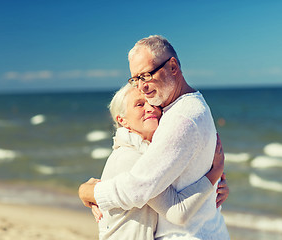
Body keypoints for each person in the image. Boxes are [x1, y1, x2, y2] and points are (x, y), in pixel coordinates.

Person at [79, 35, 230, 239]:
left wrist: (88, 192)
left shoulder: (181, 118)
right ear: (121, 120)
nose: (141, 87)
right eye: (135, 79)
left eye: (146, 76)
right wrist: (214, 178)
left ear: (173, 67)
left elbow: (136, 189)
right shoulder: (182, 108)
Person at [89, 84, 227, 239]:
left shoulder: (148, 150)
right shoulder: (131, 157)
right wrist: (215, 172)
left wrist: (215, 188)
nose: (150, 108)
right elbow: (178, 211)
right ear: (123, 120)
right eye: (139, 104)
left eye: (152, 103)